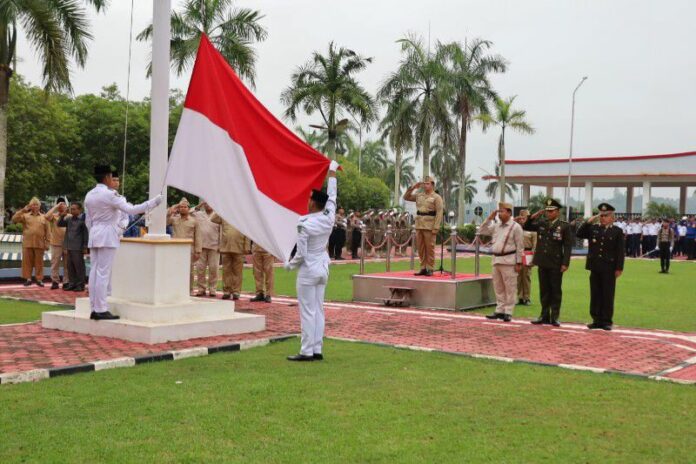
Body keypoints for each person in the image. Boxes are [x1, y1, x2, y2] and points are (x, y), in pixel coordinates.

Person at [84, 164, 162, 320]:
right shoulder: (109, 195)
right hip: (107, 234)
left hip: (94, 233)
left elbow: (88, 219)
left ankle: (94, 307)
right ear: (107, 177)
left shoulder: (89, 194)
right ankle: (100, 308)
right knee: (103, 273)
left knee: (94, 272)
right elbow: (132, 209)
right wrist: (154, 202)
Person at [284, 160, 340, 361]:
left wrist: (290, 265)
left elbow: (301, 253)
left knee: (307, 311)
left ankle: (307, 351)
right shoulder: (329, 216)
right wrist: (331, 171)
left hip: (309, 270)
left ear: (314, 203)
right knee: (318, 310)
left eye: (309, 199)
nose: (307, 201)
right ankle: (317, 348)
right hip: (323, 268)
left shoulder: (304, 223)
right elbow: (332, 195)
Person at [523, 198, 573, 326]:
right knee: (544, 290)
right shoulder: (542, 223)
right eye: (547, 211)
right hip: (542, 261)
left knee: (555, 291)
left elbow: (567, 246)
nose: (548, 213)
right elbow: (527, 226)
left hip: (556, 263)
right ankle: (544, 315)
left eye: (551, 211)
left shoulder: (564, 226)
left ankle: (555, 317)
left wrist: (565, 263)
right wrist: (533, 216)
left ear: (557, 211)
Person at [576, 203, 625, 330]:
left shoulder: (617, 231)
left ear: (612, 217)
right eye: (601, 215)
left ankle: (606, 321)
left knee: (607, 294)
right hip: (595, 266)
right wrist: (589, 221)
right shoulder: (594, 228)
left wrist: (619, 268)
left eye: (605, 215)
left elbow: (620, 251)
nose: (602, 218)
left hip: (609, 268)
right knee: (595, 294)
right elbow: (579, 233)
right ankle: (596, 319)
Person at [480, 202, 524, 322]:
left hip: (509, 260)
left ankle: (508, 311)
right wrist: (490, 218)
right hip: (496, 259)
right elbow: (482, 230)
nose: (499, 214)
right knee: (498, 287)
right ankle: (499, 310)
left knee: (510, 288)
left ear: (509, 212)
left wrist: (519, 262)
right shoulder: (496, 226)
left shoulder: (515, 227)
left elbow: (520, 247)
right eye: (499, 211)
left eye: (502, 211)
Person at [403, 176, 444, 276]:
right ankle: (423, 267)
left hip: (429, 225)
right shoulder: (419, 195)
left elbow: (439, 212)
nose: (425, 185)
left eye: (427, 183)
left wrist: (436, 227)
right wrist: (413, 187)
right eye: (424, 183)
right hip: (419, 224)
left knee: (429, 248)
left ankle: (430, 268)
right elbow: (406, 197)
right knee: (420, 248)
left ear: (432, 185)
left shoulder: (436, 197)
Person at [12, 197, 50, 286]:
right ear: (30, 206)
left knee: (39, 263)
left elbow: (48, 232)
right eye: (33, 204)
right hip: (27, 243)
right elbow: (14, 219)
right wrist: (22, 210)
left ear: (39, 206)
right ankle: (28, 279)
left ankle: (39, 279)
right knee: (27, 262)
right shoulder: (25, 216)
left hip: (40, 243)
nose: (35, 206)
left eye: (37, 204)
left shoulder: (44, 217)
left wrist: (47, 243)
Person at [167, 198, 202, 291]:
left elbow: (198, 236)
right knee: (175, 269)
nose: (182, 208)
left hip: (188, 250)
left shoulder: (194, 221)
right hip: (175, 248)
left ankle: (188, 290)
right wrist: (171, 210)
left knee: (188, 270)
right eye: (181, 207)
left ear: (188, 208)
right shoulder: (174, 219)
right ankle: (175, 288)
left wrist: (198, 251)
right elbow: (164, 222)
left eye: (185, 207)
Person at [211, 213, 248, 300]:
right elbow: (213, 219)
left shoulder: (242, 217)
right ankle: (227, 291)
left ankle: (236, 292)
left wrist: (247, 246)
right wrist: (220, 208)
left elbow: (247, 233)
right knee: (226, 271)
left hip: (239, 247)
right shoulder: (224, 214)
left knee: (237, 272)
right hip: (226, 247)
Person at [191, 202, 220, 297]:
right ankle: (201, 289)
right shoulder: (199, 214)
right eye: (206, 204)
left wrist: (220, 245)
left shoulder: (218, 214)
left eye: (210, 203)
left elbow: (222, 230)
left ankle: (212, 289)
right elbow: (190, 212)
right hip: (201, 246)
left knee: (214, 269)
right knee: (200, 269)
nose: (208, 205)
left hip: (214, 246)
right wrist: (200, 205)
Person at [58, 202, 89, 291]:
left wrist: (85, 246)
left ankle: (80, 285)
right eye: (71, 209)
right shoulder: (69, 219)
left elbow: (85, 234)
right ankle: (72, 284)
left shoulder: (83, 220)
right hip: (69, 246)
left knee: (79, 267)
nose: (72, 210)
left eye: (74, 209)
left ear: (80, 210)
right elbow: (59, 224)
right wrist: (62, 216)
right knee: (70, 267)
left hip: (78, 247)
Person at [44, 198, 69, 289]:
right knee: (55, 264)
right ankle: (55, 281)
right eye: (60, 204)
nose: (61, 205)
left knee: (67, 264)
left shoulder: (69, 216)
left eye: (63, 204)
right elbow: (46, 216)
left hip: (67, 244)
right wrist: (56, 206)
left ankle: (66, 282)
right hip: (56, 243)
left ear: (66, 205)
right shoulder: (54, 216)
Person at [515, 210, 537, 305]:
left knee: (526, 276)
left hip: (528, 254)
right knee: (518, 277)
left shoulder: (532, 230)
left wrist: (534, 259)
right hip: (518, 253)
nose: (522, 220)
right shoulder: (516, 228)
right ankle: (520, 297)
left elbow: (535, 246)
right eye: (521, 218)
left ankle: (527, 297)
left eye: (525, 218)